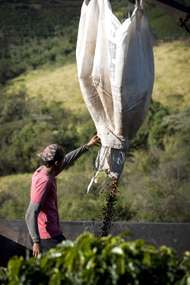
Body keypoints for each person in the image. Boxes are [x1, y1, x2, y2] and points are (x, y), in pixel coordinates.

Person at [25, 135, 100, 257]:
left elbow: (68, 160)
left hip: (51, 233)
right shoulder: (44, 181)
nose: (63, 162)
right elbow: (30, 213)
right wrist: (36, 241)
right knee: (71, 261)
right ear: (56, 163)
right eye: (61, 160)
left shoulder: (43, 170)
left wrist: (87, 146)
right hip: (48, 237)